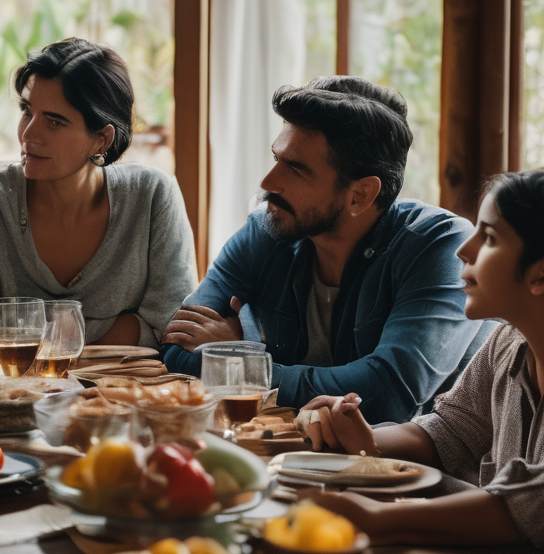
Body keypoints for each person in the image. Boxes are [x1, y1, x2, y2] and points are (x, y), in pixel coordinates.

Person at [298, 168, 544, 554]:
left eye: (490, 237)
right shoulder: (508, 341)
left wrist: (383, 520)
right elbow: (451, 432)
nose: (465, 249)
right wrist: (363, 439)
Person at [162, 77, 488, 423]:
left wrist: (246, 358)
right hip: (295, 450)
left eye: (297, 170)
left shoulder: (437, 244)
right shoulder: (268, 227)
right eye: (277, 158)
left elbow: (388, 394)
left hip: (410, 468)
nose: (268, 183)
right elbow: (176, 347)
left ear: (359, 195)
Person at [0, 38, 197, 347]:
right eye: (27, 111)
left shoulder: (152, 195)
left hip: (127, 395)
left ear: (102, 140)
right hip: (6, 396)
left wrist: (13, 332)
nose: (28, 134)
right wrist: (119, 329)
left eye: (54, 121)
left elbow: (175, 330)